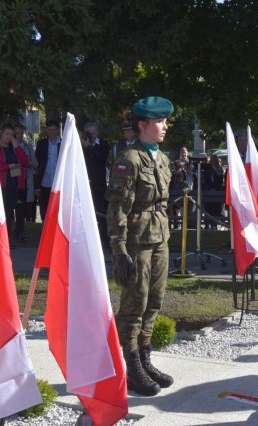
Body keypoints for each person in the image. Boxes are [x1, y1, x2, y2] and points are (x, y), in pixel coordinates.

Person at [107, 96, 174, 396]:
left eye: (164, 121)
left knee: (155, 300)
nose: (164, 126)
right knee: (135, 303)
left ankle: (145, 357)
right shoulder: (129, 159)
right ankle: (131, 364)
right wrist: (119, 250)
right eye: (159, 121)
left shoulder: (161, 158)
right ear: (143, 124)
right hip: (136, 241)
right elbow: (118, 209)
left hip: (160, 236)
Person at [0, 123, 29, 247]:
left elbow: (25, 162)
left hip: (15, 185)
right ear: (1, 133)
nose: (9, 137)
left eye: (11, 135)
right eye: (7, 134)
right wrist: (8, 167)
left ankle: (11, 237)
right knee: (4, 213)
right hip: (1, 185)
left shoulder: (14, 148)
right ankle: (3, 239)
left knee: (13, 213)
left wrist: (16, 146)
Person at [81, 121, 110, 247]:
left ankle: (104, 239)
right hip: (84, 182)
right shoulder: (80, 145)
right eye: (88, 133)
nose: (91, 136)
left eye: (92, 133)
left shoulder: (103, 144)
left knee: (101, 212)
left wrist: (89, 147)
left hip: (99, 184)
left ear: (97, 133)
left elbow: (101, 158)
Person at [35, 119, 61, 221]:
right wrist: (37, 185)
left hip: (58, 183)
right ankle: (45, 231)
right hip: (44, 182)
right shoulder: (42, 144)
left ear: (58, 130)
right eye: (50, 130)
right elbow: (38, 164)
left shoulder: (63, 144)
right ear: (47, 131)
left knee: (57, 209)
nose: (52, 132)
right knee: (44, 209)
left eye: (54, 130)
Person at [14, 123, 38, 227]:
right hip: (15, 177)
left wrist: (30, 164)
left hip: (27, 177)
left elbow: (35, 163)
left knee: (27, 201)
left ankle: (28, 219)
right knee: (16, 200)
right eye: (17, 133)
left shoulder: (28, 146)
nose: (19, 135)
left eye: (21, 133)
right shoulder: (11, 146)